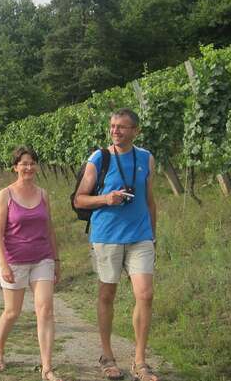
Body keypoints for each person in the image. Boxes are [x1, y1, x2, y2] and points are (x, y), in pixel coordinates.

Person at [73, 108, 158, 381]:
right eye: (112, 126)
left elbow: (150, 199)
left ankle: (140, 361)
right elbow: (79, 199)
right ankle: (107, 356)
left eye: (122, 126)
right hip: (107, 236)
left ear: (136, 130)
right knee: (107, 295)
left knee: (145, 294)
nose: (115, 131)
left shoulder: (146, 158)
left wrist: (153, 236)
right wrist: (105, 199)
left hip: (140, 236)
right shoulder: (99, 158)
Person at [0, 146, 63, 381]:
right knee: (12, 312)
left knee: (45, 310)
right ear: (15, 167)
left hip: (42, 258)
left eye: (32, 163)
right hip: (15, 261)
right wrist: (3, 263)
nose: (28, 167)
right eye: (23, 163)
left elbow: (49, 228)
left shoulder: (43, 194)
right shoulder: (6, 194)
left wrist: (56, 259)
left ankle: (47, 367)